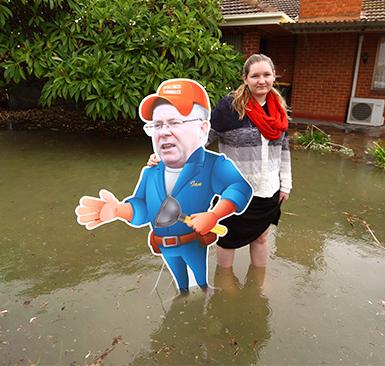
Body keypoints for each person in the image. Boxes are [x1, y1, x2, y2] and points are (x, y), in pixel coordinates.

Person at [75, 78, 253, 294]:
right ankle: (185, 300)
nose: (164, 132)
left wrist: (214, 215)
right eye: (157, 125)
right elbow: (143, 208)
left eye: (175, 122)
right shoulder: (151, 171)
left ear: (203, 128)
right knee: (182, 287)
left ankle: (201, 311)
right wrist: (118, 210)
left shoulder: (212, 165)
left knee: (199, 286)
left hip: (191, 243)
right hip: (164, 246)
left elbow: (240, 187)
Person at [148, 54, 292, 269]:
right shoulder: (230, 107)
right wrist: (167, 156)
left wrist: (285, 184)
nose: (261, 81)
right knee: (227, 242)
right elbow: (202, 139)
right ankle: (225, 285)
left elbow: (284, 148)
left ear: (274, 77)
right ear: (245, 78)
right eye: (255, 76)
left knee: (261, 238)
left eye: (266, 75)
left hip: (269, 190)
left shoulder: (278, 109)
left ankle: (259, 284)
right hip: (238, 190)